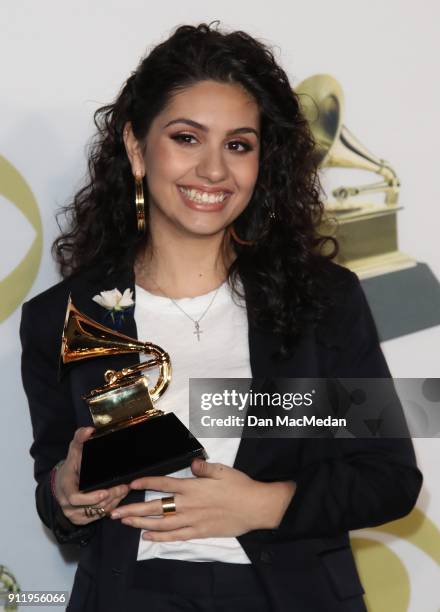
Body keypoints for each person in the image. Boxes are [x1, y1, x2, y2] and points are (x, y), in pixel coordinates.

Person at [20, 22, 422, 612]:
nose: (213, 171)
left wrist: (265, 504)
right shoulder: (59, 316)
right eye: (187, 138)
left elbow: (391, 478)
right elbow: (57, 496)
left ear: (263, 162)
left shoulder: (324, 301)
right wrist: (66, 492)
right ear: (136, 148)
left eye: (238, 145)